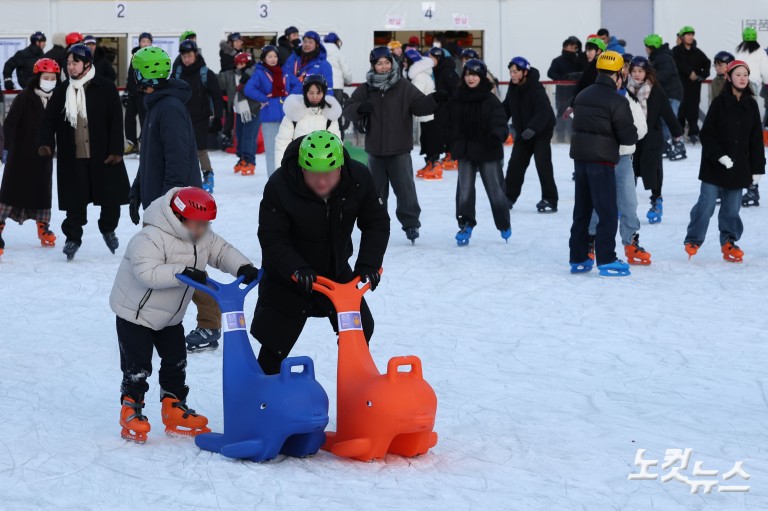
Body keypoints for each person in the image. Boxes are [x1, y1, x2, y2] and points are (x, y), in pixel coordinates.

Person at [109, 186, 258, 442]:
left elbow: (222, 251)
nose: (203, 229)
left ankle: (174, 408)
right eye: (198, 223)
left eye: (206, 224)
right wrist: (184, 271)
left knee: (176, 362)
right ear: (179, 216)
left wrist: (243, 266)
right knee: (138, 366)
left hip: (170, 317)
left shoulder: (202, 235)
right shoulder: (150, 237)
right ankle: (131, 408)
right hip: (136, 315)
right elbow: (147, 273)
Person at [251, 131, 389, 374]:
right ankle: (262, 395)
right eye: (313, 175)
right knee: (275, 341)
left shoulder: (358, 178)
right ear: (302, 168)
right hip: (290, 275)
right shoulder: (280, 185)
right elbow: (272, 236)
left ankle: (356, 386)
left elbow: (376, 222)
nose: (322, 182)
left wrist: (369, 263)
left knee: (359, 329)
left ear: (340, 167)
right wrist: (296, 267)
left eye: (328, 174)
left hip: (334, 270)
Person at [128, 47, 225, 354]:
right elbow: (150, 157)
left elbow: (178, 159)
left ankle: (210, 324)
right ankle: (158, 317)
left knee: (185, 263)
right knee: (170, 263)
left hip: (178, 205)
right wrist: (136, 191)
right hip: (164, 200)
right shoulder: (157, 105)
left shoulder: (168, 107)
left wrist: (169, 206)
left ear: (143, 74)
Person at [39, 44, 130, 261]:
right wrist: (45, 143)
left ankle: (108, 228)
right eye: (68, 63)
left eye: (75, 63)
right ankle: (72, 238)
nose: (70, 67)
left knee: (110, 198)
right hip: (74, 156)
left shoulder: (105, 88)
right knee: (75, 201)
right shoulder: (61, 91)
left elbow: (116, 120)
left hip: (104, 155)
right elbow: (48, 120)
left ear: (87, 63)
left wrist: (117, 150)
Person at [343, 46, 437, 243]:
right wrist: (360, 108)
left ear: (392, 63)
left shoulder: (403, 86)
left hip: (399, 149)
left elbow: (419, 105)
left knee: (405, 189)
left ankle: (411, 223)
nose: (384, 67)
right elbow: (348, 109)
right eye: (379, 63)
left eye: (387, 62)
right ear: (373, 66)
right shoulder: (366, 88)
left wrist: (434, 100)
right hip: (375, 150)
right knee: (376, 192)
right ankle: (375, 224)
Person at [684, 60, 765, 262]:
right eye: (738, 75)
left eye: (745, 75)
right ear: (729, 77)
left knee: (731, 208)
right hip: (714, 164)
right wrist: (719, 156)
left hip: (739, 166)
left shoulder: (751, 104)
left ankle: (729, 241)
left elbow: (755, 139)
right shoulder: (720, 103)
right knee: (707, 204)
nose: (742, 78)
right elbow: (707, 135)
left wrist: (757, 169)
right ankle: (694, 239)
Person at [568, 51, 638, 277]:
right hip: (603, 163)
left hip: (581, 161)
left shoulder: (582, 95)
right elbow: (628, 137)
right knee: (607, 211)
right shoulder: (617, 100)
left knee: (582, 210)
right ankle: (607, 259)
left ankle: (578, 257)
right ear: (618, 74)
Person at [587, 64, 649, 265]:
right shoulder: (593, 96)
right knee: (598, 203)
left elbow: (642, 129)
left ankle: (631, 241)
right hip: (600, 157)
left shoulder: (630, 100)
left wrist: (623, 133)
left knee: (629, 203)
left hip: (622, 159)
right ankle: (591, 240)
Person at [0, 58, 60, 257]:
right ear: (37, 78)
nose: (49, 81)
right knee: (10, 190)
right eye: (46, 77)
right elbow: (9, 125)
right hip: (20, 154)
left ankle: (43, 225)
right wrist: (6, 148)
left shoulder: (57, 98)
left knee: (42, 191)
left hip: (44, 156)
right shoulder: (25, 97)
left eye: (53, 78)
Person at [449, 59, 510, 246]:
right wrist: (454, 142)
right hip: (466, 151)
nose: (470, 78)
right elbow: (451, 123)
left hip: (487, 150)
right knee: (465, 190)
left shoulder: (490, 100)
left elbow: (500, 123)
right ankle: (465, 224)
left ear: (481, 77)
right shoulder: (458, 97)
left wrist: (496, 136)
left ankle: (503, 223)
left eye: (474, 74)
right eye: (467, 74)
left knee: (495, 190)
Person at [627, 56, 684, 225]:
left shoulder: (655, 89)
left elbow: (666, 111)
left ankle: (656, 201)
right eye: (634, 71)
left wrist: (676, 132)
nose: (637, 75)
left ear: (647, 72)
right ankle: (625, 205)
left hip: (651, 137)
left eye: (640, 71)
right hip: (631, 137)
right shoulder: (626, 89)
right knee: (629, 172)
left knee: (652, 171)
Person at [503, 56, 558, 213]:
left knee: (542, 163)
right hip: (523, 132)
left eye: (516, 72)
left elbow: (544, 111)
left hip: (541, 131)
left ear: (524, 72)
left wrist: (533, 128)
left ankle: (550, 199)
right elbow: (507, 107)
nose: (512, 75)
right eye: (511, 72)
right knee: (515, 164)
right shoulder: (513, 88)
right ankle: (508, 196)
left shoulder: (535, 87)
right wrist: (496, 121)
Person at [172, 40, 223, 194]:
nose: (186, 59)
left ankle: (208, 175)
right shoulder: (177, 72)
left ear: (195, 54)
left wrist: (218, 118)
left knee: (200, 149)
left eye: (189, 55)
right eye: (183, 56)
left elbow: (217, 96)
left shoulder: (205, 73)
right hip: (181, 117)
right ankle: (184, 177)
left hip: (201, 118)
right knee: (181, 149)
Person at [244, 45, 302, 177]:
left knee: (289, 148)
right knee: (272, 150)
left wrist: (290, 97)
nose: (273, 59)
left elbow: (298, 84)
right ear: (264, 58)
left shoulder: (285, 70)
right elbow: (249, 89)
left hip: (287, 115)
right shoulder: (259, 72)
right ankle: (274, 178)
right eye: (269, 56)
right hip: (269, 116)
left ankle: (290, 177)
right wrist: (264, 99)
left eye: (275, 56)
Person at [274, 74, 342, 168]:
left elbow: (336, 144)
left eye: (318, 93)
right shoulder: (293, 111)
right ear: (305, 92)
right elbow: (282, 143)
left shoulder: (330, 115)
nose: (315, 97)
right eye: (311, 93)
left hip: (323, 167)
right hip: (296, 166)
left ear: (324, 93)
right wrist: (280, 170)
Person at [644, 34, 685, 159]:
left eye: (647, 46)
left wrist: (649, 80)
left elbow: (664, 74)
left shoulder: (663, 58)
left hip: (672, 93)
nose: (645, 49)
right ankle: (665, 144)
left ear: (652, 46)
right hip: (668, 94)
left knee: (670, 119)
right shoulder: (659, 57)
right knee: (664, 120)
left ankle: (679, 145)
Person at [404, 49, 441, 179]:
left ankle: (435, 164)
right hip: (428, 114)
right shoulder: (421, 73)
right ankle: (430, 162)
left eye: (405, 61)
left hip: (428, 114)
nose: (404, 64)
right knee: (426, 140)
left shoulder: (419, 76)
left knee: (430, 140)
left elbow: (415, 95)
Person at [673, 26, 711, 144]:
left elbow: (707, 63)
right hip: (680, 86)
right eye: (687, 35)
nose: (690, 37)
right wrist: (689, 72)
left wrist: (700, 76)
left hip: (694, 87)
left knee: (693, 109)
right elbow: (676, 64)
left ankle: (693, 133)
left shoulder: (697, 51)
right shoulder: (676, 50)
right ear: (682, 37)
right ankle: (678, 134)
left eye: (692, 35)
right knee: (680, 110)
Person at [227, 52, 260, 176]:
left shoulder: (254, 74)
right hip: (240, 110)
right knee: (240, 136)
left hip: (253, 110)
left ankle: (250, 161)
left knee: (249, 137)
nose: (240, 66)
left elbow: (253, 91)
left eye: (242, 63)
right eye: (238, 64)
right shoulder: (235, 75)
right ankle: (242, 158)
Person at [429, 46, 460, 170]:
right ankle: (449, 153)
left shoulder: (447, 71)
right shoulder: (438, 69)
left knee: (445, 131)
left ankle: (451, 154)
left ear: (438, 57)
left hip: (448, 106)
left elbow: (456, 89)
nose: (430, 60)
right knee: (443, 131)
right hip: (441, 105)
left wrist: (449, 100)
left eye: (432, 58)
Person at [548, 36, 584, 142]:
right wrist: (563, 79)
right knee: (561, 114)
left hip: (576, 92)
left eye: (576, 47)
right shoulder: (558, 61)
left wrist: (575, 76)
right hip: (563, 93)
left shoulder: (579, 60)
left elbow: (584, 72)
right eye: (573, 47)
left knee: (575, 114)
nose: (575, 49)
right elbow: (550, 73)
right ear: (566, 46)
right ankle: (560, 136)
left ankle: (572, 136)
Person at [124, 32, 153, 155]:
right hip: (133, 94)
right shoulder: (135, 57)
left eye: (147, 41)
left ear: (151, 43)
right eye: (143, 41)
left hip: (144, 94)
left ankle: (143, 144)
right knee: (128, 119)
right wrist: (127, 90)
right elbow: (131, 75)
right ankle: (132, 143)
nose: (145, 44)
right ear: (139, 43)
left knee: (144, 120)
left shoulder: (153, 57)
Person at [563, 37, 605, 119]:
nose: (587, 53)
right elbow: (581, 87)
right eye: (586, 50)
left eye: (590, 50)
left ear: (599, 51)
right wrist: (572, 105)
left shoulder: (603, 69)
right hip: (587, 108)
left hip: (596, 110)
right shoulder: (590, 67)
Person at [219, 32, 244, 143]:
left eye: (240, 41)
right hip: (228, 87)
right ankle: (227, 135)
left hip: (237, 87)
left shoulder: (238, 53)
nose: (239, 43)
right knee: (229, 113)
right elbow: (227, 69)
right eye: (236, 41)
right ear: (230, 43)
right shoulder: (227, 54)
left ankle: (233, 136)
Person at [324, 32, 353, 104]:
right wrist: (349, 82)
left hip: (323, 86)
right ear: (336, 41)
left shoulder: (320, 52)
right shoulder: (338, 53)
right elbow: (346, 70)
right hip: (337, 86)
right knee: (337, 111)